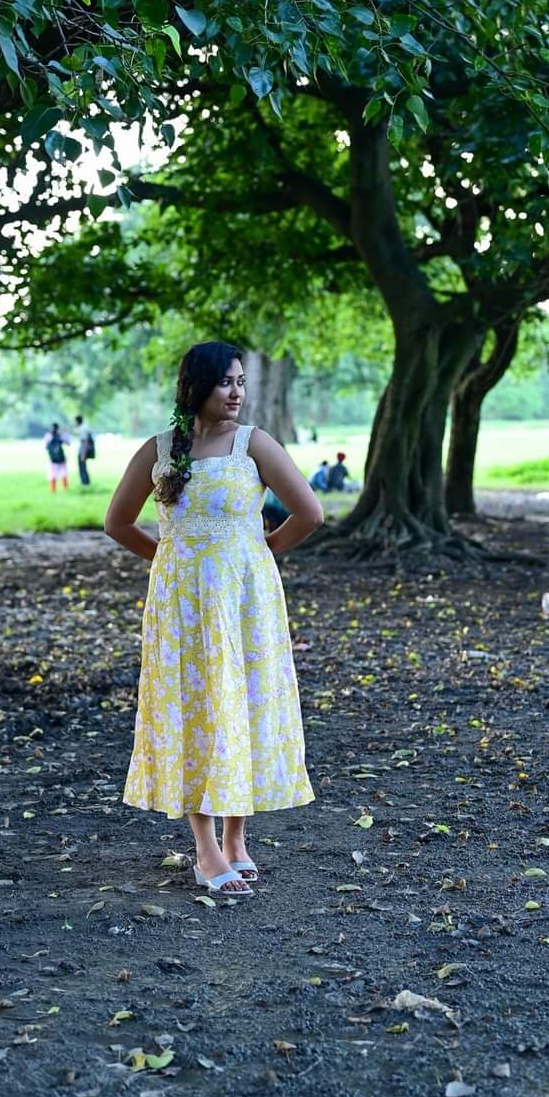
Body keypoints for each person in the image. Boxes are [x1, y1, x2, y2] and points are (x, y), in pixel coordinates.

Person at [104, 342, 323, 898]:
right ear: (196, 385)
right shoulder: (160, 449)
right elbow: (117, 522)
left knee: (239, 704)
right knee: (194, 711)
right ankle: (204, 851)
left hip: (244, 603)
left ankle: (237, 841)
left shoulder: (254, 445)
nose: (236, 392)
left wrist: (257, 550)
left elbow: (310, 513)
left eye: (241, 382)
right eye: (225, 382)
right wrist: (170, 558)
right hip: (181, 606)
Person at [45, 422, 71, 492]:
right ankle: (65, 489)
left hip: (53, 458)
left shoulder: (48, 436)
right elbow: (68, 443)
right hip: (61, 458)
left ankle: (53, 490)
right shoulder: (61, 435)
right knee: (64, 473)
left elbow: (46, 447)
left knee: (52, 474)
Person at [74, 413, 94, 487]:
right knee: (83, 467)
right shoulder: (84, 427)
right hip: (83, 450)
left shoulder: (82, 429)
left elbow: (85, 442)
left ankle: (84, 483)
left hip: (83, 451)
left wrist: (83, 454)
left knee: (82, 467)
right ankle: (86, 482)